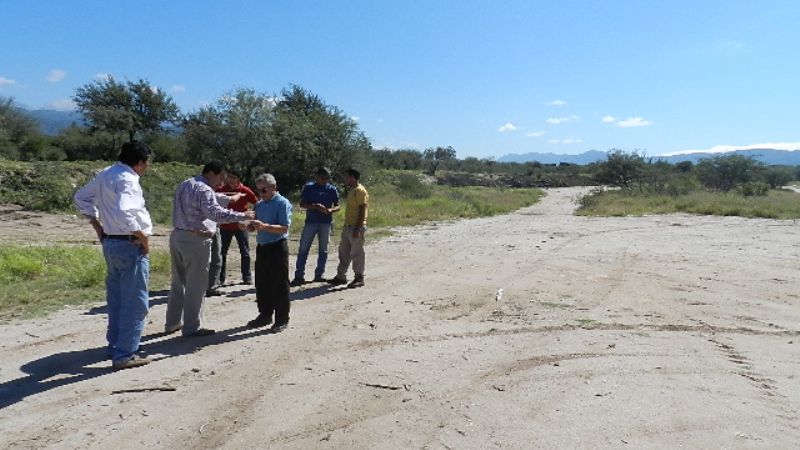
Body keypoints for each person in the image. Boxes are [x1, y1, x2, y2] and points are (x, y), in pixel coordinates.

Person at [74, 140, 154, 370]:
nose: (147, 167)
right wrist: (143, 238)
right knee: (136, 302)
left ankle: (116, 345)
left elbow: (81, 197)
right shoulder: (128, 180)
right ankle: (125, 354)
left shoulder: (106, 174)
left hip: (111, 242)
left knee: (118, 298)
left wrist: (97, 225)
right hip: (129, 244)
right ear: (140, 162)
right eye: (146, 162)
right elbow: (124, 211)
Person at [165, 161, 254, 337]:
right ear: (211, 173)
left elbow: (211, 202)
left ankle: (172, 323)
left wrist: (229, 200)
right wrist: (242, 215)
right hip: (196, 239)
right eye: (220, 178)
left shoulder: (185, 184)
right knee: (196, 285)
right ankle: (191, 327)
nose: (221, 183)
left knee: (178, 282)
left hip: (178, 236)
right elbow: (215, 213)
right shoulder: (204, 189)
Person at [246, 173, 292, 333]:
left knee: (279, 283)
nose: (261, 194)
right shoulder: (259, 205)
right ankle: (265, 314)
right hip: (263, 246)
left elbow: (284, 227)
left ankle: (282, 319)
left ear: (273, 187)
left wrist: (264, 226)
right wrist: (248, 226)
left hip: (277, 246)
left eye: (264, 190)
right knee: (262, 282)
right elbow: (255, 225)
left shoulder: (282, 203)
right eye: (258, 191)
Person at [290, 167, 340, 286]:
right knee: (303, 248)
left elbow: (338, 205)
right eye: (322, 177)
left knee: (323, 249)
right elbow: (302, 204)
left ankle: (319, 274)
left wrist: (330, 210)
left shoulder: (332, 189)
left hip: (326, 222)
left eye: (327, 178)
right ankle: (299, 276)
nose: (325, 180)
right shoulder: (309, 187)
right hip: (311, 222)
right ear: (316, 177)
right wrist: (315, 206)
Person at [328, 168, 368, 288]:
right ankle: (341, 276)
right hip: (348, 226)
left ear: (353, 177)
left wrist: (358, 228)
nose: (345, 179)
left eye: (347, 177)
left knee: (357, 252)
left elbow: (362, 209)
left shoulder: (360, 191)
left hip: (356, 227)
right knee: (344, 251)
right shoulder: (352, 190)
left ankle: (359, 277)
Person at [216, 170, 258, 285]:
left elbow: (257, 203)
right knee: (222, 252)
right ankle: (220, 278)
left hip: (241, 226)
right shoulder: (221, 190)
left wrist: (250, 218)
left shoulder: (244, 190)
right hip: (225, 225)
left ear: (238, 178)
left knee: (245, 252)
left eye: (234, 177)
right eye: (229, 177)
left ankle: (247, 276)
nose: (231, 179)